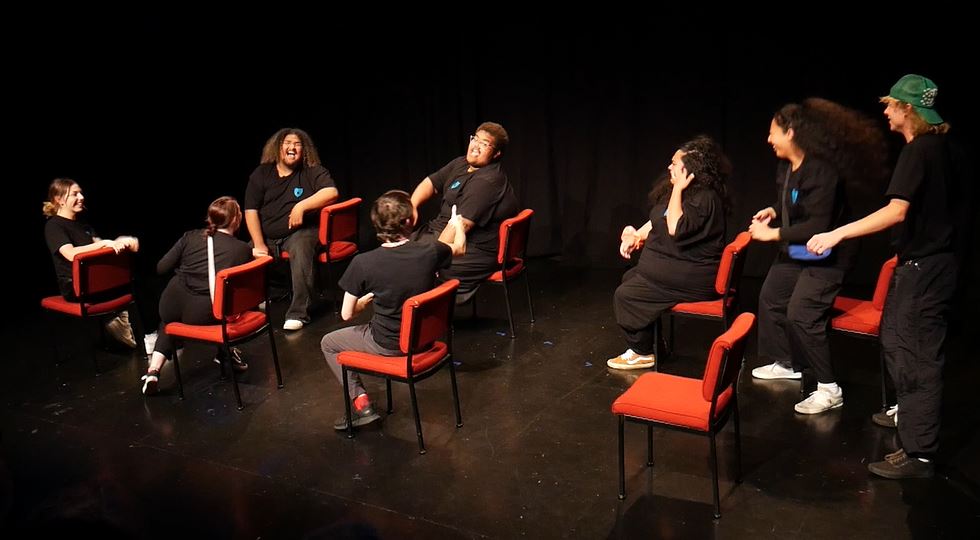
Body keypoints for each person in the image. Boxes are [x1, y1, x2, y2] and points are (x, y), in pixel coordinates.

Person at [807, 75, 957, 478]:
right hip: (926, 266)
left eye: (891, 105)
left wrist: (837, 232)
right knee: (896, 340)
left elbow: (896, 211)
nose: (886, 111)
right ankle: (908, 419)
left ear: (908, 110)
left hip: (926, 270)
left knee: (916, 357)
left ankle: (920, 453)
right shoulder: (937, 149)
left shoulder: (920, 151)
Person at [748, 98, 887, 415]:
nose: (769, 139)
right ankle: (788, 364)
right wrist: (774, 210)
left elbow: (818, 224)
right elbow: (795, 203)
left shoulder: (823, 170)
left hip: (829, 254)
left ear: (791, 132)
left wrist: (774, 234)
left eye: (773, 133)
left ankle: (829, 388)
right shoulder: (787, 166)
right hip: (800, 250)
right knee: (771, 295)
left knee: (802, 313)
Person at [320, 190, 466, 431]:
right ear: (409, 221)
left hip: (388, 345)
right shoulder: (430, 250)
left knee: (328, 342)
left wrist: (363, 303)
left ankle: (362, 405)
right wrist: (456, 223)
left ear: (377, 224)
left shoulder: (363, 263)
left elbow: (347, 314)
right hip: (426, 341)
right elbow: (459, 248)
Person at [607, 136, 732, 370]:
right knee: (630, 279)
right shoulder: (685, 192)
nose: (669, 167)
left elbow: (675, 227)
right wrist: (637, 235)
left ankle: (642, 352)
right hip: (680, 270)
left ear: (689, 169)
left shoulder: (703, 197)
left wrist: (677, 189)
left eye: (674, 163)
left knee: (626, 295)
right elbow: (660, 218)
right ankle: (655, 345)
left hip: (696, 277)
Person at [140, 196, 254, 395]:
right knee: (226, 312)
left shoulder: (190, 237)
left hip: (171, 301)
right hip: (201, 312)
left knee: (169, 324)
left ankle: (153, 372)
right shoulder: (242, 250)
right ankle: (227, 354)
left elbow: (161, 267)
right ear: (236, 219)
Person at [410, 121, 519, 303]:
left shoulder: (487, 182)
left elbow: (460, 225)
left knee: (414, 263)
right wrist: (412, 205)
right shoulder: (460, 163)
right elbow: (432, 182)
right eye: (475, 139)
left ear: (496, 153)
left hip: (473, 248)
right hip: (441, 231)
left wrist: (434, 257)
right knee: (400, 253)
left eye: (484, 144)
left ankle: (418, 319)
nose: (475, 146)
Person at [245, 128, 339, 331]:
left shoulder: (312, 171)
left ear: (303, 150)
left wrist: (301, 206)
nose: (292, 147)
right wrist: (259, 244)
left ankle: (298, 312)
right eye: (287, 143)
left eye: (297, 144)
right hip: (268, 236)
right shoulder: (262, 173)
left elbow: (331, 192)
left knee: (302, 247)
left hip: (300, 232)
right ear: (278, 148)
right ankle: (248, 306)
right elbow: (250, 210)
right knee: (240, 253)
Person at [42, 178, 140, 349]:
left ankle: (132, 332)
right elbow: (71, 254)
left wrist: (122, 242)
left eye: (80, 192)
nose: (81, 197)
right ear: (59, 199)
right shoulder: (54, 226)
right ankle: (118, 322)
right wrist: (104, 243)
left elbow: (102, 247)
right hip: (75, 288)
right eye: (74, 194)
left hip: (97, 285)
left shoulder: (83, 225)